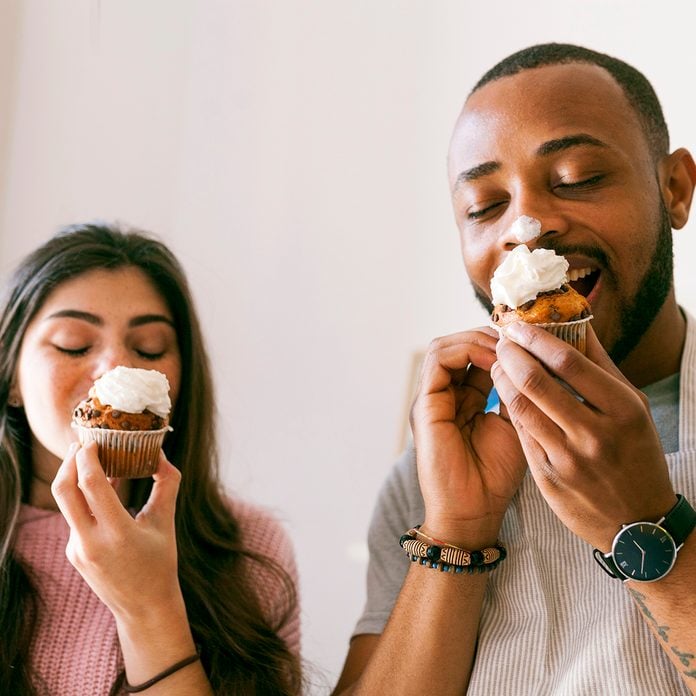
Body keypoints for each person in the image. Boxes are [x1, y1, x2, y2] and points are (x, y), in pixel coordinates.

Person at [333, 43, 696, 695]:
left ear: (674, 189)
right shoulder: (425, 481)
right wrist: (458, 531)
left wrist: (650, 525)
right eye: (483, 205)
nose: (526, 227)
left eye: (579, 177)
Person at [0, 222, 302, 694]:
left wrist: (149, 607)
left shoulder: (249, 548)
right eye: (73, 344)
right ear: (12, 376)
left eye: (149, 349)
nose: (116, 369)